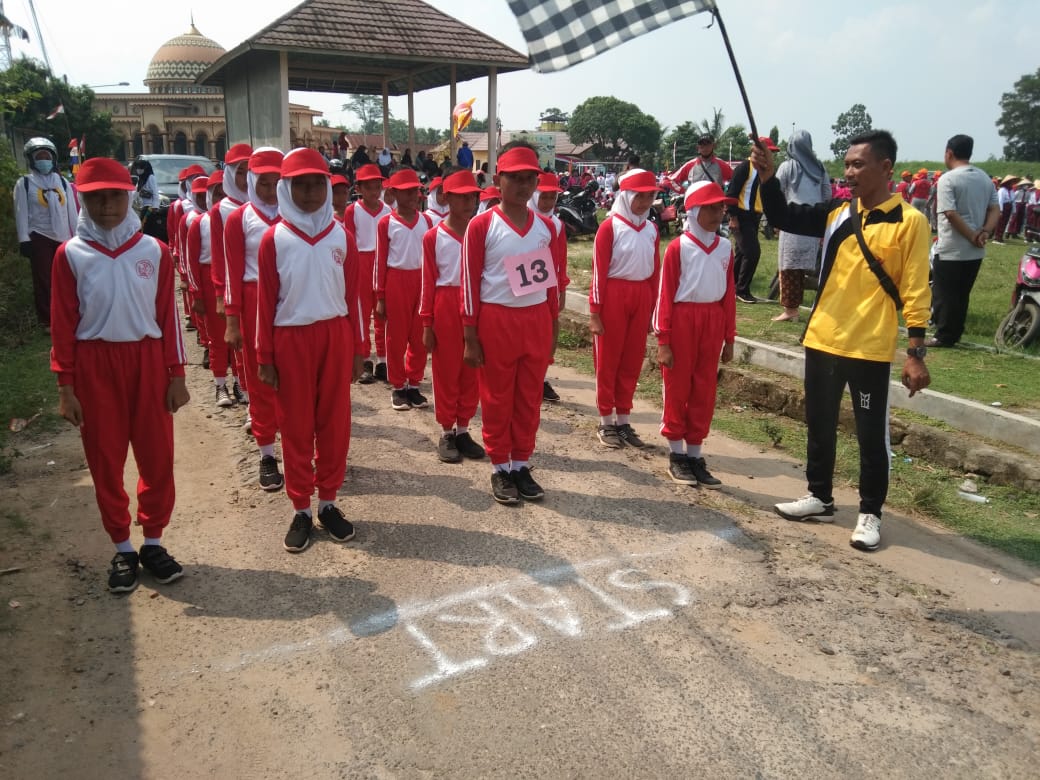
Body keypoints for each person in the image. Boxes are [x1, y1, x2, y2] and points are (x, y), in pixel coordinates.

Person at [752, 129, 931, 553]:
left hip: (869, 347)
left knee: (871, 435)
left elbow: (917, 290)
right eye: (847, 164)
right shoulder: (836, 211)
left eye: (858, 164)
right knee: (819, 424)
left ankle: (870, 512)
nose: (848, 172)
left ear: (885, 168)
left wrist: (916, 353)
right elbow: (783, 217)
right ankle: (820, 496)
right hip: (823, 339)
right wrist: (766, 178)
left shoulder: (911, 222)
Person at [50, 157, 189, 592]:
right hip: (95, 366)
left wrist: (176, 374)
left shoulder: (153, 250)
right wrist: (66, 385)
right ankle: (122, 547)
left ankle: (152, 541)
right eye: (96, 197)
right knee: (105, 460)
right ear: (83, 200)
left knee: (156, 456)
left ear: (129, 196)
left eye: (115, 194)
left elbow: (168, 316)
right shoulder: (70, 253)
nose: (107, 204)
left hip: (147, 361)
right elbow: (63, 323)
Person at [255, 148, 364, 553]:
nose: (309, 191)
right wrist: (264, 356)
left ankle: (329, 502)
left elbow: (354, 298)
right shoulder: (274, 239)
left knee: (334, 424)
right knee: (296, 425)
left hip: (335, 337)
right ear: (285, 187)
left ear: (329, 187)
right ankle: (301, 507)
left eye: (317, 183)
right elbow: (265, 302)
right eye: (299, 184)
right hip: (290, 340)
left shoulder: (342, 236)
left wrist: (358, 347)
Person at [461, 143, 564, 505]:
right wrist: (470, 334)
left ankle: (521, 463)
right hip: (497, 319)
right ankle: (500, 466)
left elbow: (551, 282)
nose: (523, 186)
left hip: (535, 319)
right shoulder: (481, 226)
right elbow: (470, 282)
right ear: (497, 179)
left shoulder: (547, 228)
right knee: (497, 396)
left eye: (529, 179)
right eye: (515, 178)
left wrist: (553, 325)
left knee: (529, 397)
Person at [653, 182, 736, 488]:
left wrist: (730, 336)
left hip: (712, 319)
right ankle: (676, 453)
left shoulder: (725, 247)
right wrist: (664, 339)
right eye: (711, 208)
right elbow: (665, 294)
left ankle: (695, 453)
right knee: (678, 386)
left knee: (704, 388)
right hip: (683, 319)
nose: (718, 213)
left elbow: (728, 295)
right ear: (695, 210)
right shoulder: (678, 247)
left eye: (721, 207)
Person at [224, 147, 285, 492]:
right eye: (264, 183)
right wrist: (232, 319)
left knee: (291, 378)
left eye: (278, 183)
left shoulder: (298, 218)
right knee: (260, 377)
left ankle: (296, 446)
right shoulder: (239, 219)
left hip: (288, 303)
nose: (270, 190)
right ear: (249, 182)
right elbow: (232, 271)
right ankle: (266, 453)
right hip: (251, 300)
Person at [589, 168, 661, 449]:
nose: (643, 203)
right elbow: (599, 272)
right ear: (626, 196)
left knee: (632, 360)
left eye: (649, 197)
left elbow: (655, 271)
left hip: (641, 295)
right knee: (608, 361)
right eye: (639, 197)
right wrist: (595, 312)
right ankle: (605, 421)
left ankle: (624, 420)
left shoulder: (651, 229)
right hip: (614, 295)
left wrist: (652, 309)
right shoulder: (610, 227)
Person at [419, 170, 487, 463]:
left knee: (471, 369)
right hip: (446, 302)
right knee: (447, 370)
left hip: (476, 305)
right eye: (461, 197)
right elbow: (428, 281)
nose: (469, 202)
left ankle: (463, 428)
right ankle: (446, 431)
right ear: (446, 198)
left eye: (472, 196)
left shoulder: (481, 234)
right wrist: (427, 322)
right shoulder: (433, 237)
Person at [927, 134, 1000, 349]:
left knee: (944, 293)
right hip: (976, 250)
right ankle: (954, 332)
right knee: (961, 294)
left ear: (949, 152)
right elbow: (995, 209)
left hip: (952, 247)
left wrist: (970, 235)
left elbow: (950, 212)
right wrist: (984, 232)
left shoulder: (948, 179)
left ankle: (943, 335)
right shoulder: (985, 178)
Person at [374, 168, 434, 410]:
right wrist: (380, 295)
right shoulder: (386, 222)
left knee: (419, 336)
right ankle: (398, 386)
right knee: (396, 336)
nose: (412, 197)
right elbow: (380, 260)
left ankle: (414, 384)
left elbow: (431, 258)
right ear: (394, 193)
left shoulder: (427, 221)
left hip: (421, 280)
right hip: (396, 280)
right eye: (406, 192)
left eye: (415, 192)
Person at [15, 137, 79, 329]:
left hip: (63, 236)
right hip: (39, 236)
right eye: (39, 157)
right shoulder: (24, 183)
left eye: (47, 156)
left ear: (53, 159)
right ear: (32, 160)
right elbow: (21, 212)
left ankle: (69, 315)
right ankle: (47, 320)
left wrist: (78, 236)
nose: (44, 160)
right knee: (43, 279)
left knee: (67, 278)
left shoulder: (62, 182)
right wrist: (23, 239)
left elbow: (72, 213)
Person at [772, 129, 832, 322]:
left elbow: (776, 191)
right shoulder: (819, 168)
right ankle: (819, 307)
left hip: (792, 221)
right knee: (811, 267)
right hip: (813, 223)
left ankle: (791, 310)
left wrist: (776, 218)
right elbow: (827, 195)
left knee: (789, 268)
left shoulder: (788, 166)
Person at [186, 170, 233, 408]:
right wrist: (195, 292)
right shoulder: (199, 223)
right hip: (208, 277)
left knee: (239, 337)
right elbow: (191, 259)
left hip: (233, 276)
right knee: (217, 337)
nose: (221, 199)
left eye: (225, 193)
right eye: (216, 194)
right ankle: (220, 385)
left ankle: (240, 383)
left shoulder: (239, 215)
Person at [210, 143, 252, 407]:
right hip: (232, 285)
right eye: (240, 171)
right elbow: (218, 255)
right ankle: (231, 388)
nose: (246, 178)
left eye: (251, 171)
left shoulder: (272, 206)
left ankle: (248, 389)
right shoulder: (221, 210)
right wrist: (219, 294)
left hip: (259, 285)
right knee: (234, 340)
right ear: (229, 174)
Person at [342, 164, 392, 384]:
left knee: (382, 312)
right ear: (359, 188)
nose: (374, 191)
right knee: (361, 313)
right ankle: (363, 358)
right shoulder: (352, 210)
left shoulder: (388, 211)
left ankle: (383, 359)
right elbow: (349, 241)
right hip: (361, 261)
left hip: (381, 262)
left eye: (377, 186)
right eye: (369, 187)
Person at [527, 171, 569, 402]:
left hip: (549, 286)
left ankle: (541, 377)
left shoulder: (557, 225)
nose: (548, 202)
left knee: (550, 331)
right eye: (544, 197)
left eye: (553, 197)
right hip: (524, 285)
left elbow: (561, 258)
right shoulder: (524, 219)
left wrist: (561, 288)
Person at [726, 136, 779, 303]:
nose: (770, 156)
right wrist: (733, 217)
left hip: (754, 216)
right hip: (741, 215)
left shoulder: (766, 171)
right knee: (752, 252)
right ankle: (742, 290)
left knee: (742, 253)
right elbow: (732, 193)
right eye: (768, 152)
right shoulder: (744, 168)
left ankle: (732, 288)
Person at [666, 134, 734, 191]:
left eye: (708, 144)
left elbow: (735, 179)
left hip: (715, 204)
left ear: (713, 146)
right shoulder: (690, 165)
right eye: (702, 145)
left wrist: (730, 193)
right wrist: (684, 191)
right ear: (698, 148)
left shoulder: (721, 164)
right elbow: (669, 180)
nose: (705, 148)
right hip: (695, 202)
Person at [994, 175, 1018, 243]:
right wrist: (1000, 210)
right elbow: (1000, 201)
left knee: (1005, 222)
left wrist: (1014, 210)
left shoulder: (1011, 191)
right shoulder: (1002, 190)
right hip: (1003, 206)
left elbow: (1013, 200)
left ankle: (1001, 236)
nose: (1012, 183)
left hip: (1009, 207)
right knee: (1000, 222)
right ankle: (997, 237)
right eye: (1011, 182)